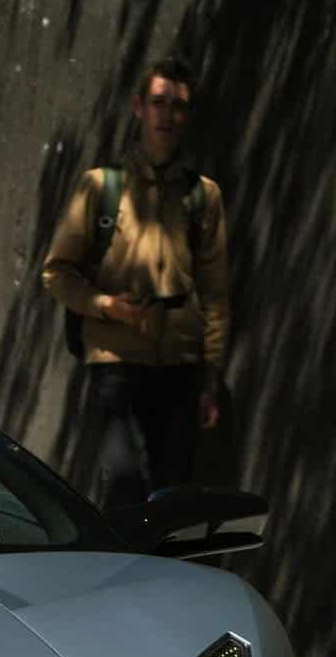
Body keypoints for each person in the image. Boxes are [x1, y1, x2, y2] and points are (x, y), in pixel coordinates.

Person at [40, 55, 229, 509]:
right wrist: (106, 305)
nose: (168, 115)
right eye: (159, 102)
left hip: (180, 364)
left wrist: (209, 378)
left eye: (178, 106)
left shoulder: (202, 195)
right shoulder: (100, 187)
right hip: (116, 362)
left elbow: (216, 293)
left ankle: (167, 581)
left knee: (176, 499)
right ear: (139, 107)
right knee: (122, 488)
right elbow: (56, 273)